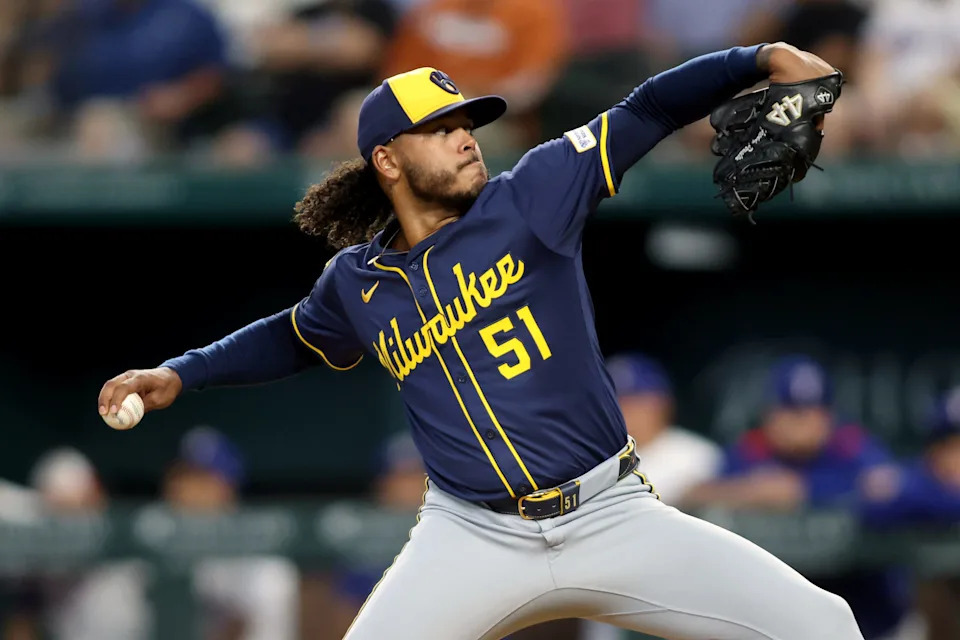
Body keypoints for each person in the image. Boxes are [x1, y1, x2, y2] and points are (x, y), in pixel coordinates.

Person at [98, 42, 866, 639]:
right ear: (388, 160)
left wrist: (759, 61)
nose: (467, 139)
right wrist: (179, 373)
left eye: (468, 124)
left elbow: (649, 108)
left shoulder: (532, 194)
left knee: (822, 625)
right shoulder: (356, 283)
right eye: (442, 129)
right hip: (471, 535)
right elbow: (293, 336)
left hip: (611, 513)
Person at [683, 355, 910, 640]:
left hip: (867, 617)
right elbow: (694, 495)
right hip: (776, 623)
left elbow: (896, 487)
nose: (802, 422)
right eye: (790, 411)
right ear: (769, 415)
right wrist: (750, 492)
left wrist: (806, 489)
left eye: (813, 411)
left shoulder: (851, 446)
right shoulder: (750, 450)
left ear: (829, 415)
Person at [605, 352, 723, 503]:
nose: (625, 412)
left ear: (664, 404)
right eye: (617, 402)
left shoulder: (698, 455)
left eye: (636, 403)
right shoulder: (590, 461)